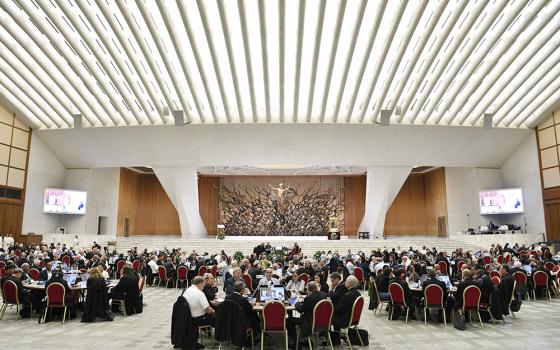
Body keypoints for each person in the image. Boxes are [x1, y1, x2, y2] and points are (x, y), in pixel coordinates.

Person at [287, 281, 326, 348]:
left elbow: (301, 309)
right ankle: (306, 340)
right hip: (321, 320)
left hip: (308, 321)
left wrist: (296, 303)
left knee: (289, 320)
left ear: (308, 289)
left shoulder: (309, 298)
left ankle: (295, 342)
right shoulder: (323, 295)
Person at [183, 275, 215, 349]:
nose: (204, 286)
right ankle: (222, 336)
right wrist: (214, 311)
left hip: (188, 316)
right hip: (197, 319)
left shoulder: (188, 290)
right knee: (217, 317)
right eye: (204, 284)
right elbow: (207, 309)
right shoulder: (200, 293)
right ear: (199, 283)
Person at [330, 276, 361, 345]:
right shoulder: (358, 293)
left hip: (345, 320)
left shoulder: (347, 295)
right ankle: (335, 337)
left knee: (328, 316)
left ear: (350, 284)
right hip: (353, 318)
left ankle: (334, 339)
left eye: (346, 281)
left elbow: (338, 310)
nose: (344, 282)